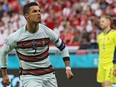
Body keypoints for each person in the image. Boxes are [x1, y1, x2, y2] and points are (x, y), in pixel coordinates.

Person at [0, 2, 74, 87]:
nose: (38, 13)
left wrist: (68, 68)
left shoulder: (47, 32)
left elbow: (63, 47)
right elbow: (3, 52)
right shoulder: (16, 36)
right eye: (34, 11)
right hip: (29, 76)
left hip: (49, 75)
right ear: (26, 16)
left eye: (39, 11)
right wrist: (4, 74)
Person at [97, 15, 116, 87]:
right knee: (104, 85)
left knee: (108, 85)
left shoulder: (114, 34)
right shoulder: (99, 36)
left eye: (102, 21)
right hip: (101, 64)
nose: (100, 23)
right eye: (100, 22)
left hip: (111, 64)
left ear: (108, 22)